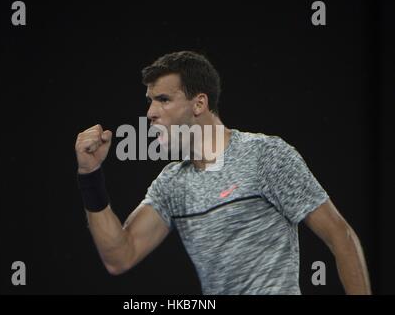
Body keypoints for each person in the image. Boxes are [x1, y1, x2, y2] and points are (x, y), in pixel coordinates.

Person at [74, 51, 371, 295]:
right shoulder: (172, 183)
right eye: (150, 101)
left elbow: (340, 236)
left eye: (163, 99)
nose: (150, 112)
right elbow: (119, 257)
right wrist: (90, 175)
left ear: (199, 103)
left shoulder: (266, 155)